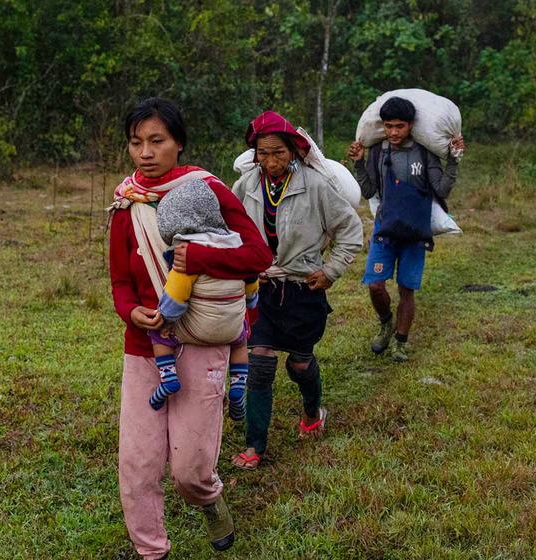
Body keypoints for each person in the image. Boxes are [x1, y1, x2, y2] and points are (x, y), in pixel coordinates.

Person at [108, 97, 272, 559]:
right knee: (137, 465)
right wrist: (130, 312)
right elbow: (120, 279)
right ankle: (150, 551)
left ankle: (210, 498)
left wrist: (198, 257)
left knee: (191, 470)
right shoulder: (127, 202)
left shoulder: (207, 190)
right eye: (136, 142)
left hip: (202, 340)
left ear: (178, 143)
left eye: (156, 141)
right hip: (144, 347)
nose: (145, 152)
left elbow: (258, 256)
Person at [229, 110, 363, 470]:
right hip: (262, 289)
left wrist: (331, 271)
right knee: (259, 362)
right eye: (263, 153)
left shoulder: (316, 186)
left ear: (293, 150)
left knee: (300, 364)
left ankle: (312, 411)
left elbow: (350, 230)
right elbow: (229, 230)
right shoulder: (246, 187)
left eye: (279, 152)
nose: (270, 161)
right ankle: (256, 446)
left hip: (304, 290)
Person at [346, 96, 465, 362]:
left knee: (406, 289)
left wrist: (454, 161)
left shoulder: (424, 153)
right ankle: (386, 322)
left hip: (414, 233)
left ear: (411, 125)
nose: (394, 132)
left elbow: (442, 188)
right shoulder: (379, 152)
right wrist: (358, 163)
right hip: (385, 230)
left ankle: (400, 342)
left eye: (399, 126)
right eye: (388, 126)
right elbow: (368, 190)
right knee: (375, 286)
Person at [148, 179, 260, 412]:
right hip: (232, 329)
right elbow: (251, 284)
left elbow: (176, 296)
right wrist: (251, 301)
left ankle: (168, 378)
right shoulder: (236, 245)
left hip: (199, 330)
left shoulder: (187, 254)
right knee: (241, 343)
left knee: (158, 335)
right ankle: (239, 385)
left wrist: (166, 320)